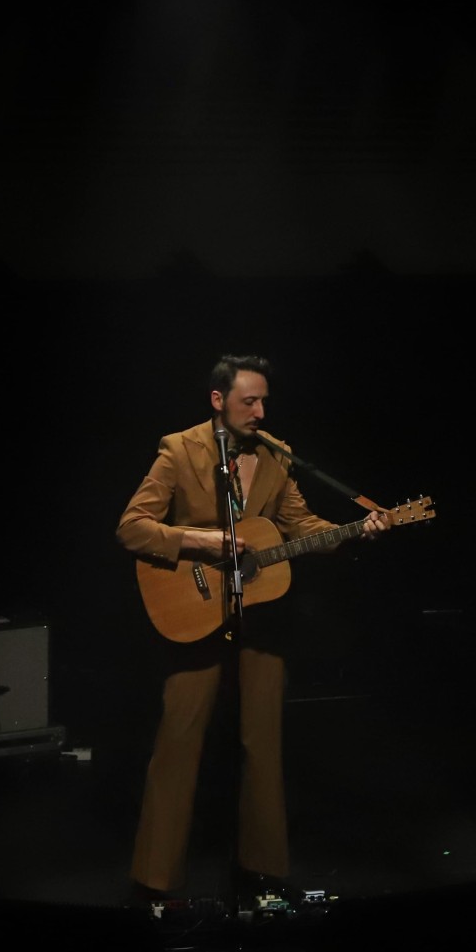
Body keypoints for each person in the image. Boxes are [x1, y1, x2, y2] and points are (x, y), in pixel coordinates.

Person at [116, 354, 391, 904]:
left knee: (262, 744)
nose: (261, 412)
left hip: (262, 619)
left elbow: (300, 525)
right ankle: (155, 881)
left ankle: (262, 871)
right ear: (218, 400)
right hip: (194, 613)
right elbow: (132, 528)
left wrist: (355, 530)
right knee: (178, 742)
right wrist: (203, 541)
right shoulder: (180, 449)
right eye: (249, 401)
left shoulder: (275, 455)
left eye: (264, 400)